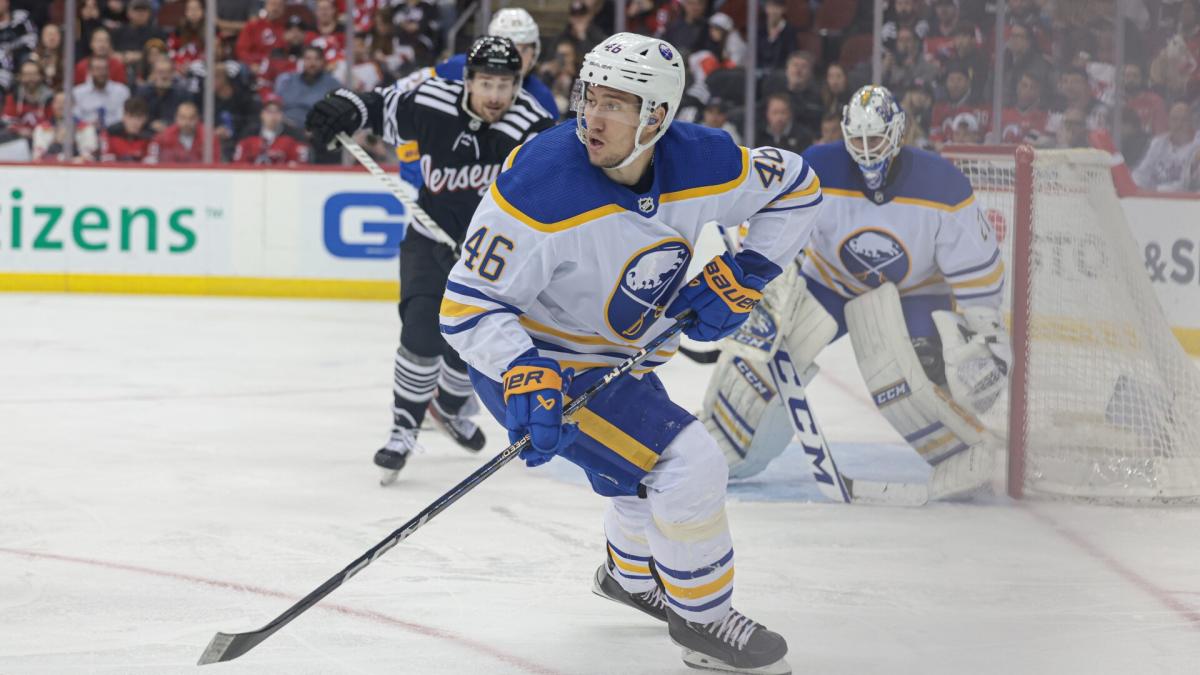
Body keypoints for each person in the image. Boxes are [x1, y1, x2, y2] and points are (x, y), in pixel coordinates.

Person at [437, 33, 816, 674]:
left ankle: (629, 578)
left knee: (638, 477)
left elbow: (797, 186)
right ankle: (703, 622)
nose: (592, 116)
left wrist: (747, 271)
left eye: (616, 104)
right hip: (528, 362)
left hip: (618, 353)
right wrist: (525, 371)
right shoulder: (540, 184)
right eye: (589, 96)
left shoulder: (706, 162)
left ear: (659, 118)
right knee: (688, 461)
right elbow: (467, 306)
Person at [698, 85, 1009, 489]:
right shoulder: (819, 167)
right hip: (830, 282)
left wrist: (985, 329)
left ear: (897, 134)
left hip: (914, 292)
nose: (866, 150)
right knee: (761, 354)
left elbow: (976, 267)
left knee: (917, 376)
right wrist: (762, 282)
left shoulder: (942, 184)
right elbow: (771, 222)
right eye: (857, 140)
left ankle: (963, 452)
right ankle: (723, 448)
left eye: (875, 138)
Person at [305, 36, 556, 482]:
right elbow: (376, 106)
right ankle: (403, 428)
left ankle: (452, 404)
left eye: (505, 85)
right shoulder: (431, 99)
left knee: (472, 343)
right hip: (428, 239)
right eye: (486, 84)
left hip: (491, 255)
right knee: (421, 331)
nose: (495, 96)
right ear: (468, 80)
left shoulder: (532, 127)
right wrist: (344, 107)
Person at [388, 8, 558, 187]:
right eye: (510, 47)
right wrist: (410, 154)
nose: (516, 58)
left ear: (535, 51)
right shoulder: (459, 68)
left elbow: (547, 162)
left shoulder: (542, 100)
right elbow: (397, 98)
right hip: (442, 183)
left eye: (524, 49)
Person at [1133, 101, 1200, 192]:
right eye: (1175, 119)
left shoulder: (1197, 147)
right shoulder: (1158, 143)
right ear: (1168, 121)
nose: (1179, 124)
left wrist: (1155, 190)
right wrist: (1134, 186)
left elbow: (1187, 184)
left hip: (1182, 201)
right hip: (1151, 198)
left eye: (1184, 120)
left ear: (1192, 122)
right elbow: (1142, 172)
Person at [275, 46, 340, 128]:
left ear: (323, 61)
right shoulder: (287, 80)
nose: (312, 63)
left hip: (315, 130)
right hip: (284, 127)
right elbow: (275, 106)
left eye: (317, 59)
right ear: (302, 61)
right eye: (308, 59)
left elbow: (334, 114)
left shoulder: (333, 84)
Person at [233, 94, 308, 165]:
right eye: (269, 111)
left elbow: (300, 163)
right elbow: (238, 162)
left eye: (277, 111)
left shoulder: (294, 134)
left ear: (281, 115)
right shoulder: (249, 133)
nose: (273, 116)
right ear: (262, 114)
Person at [146, 100, 219, 163]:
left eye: (191, 118)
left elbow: (214, 164)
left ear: (197, 119)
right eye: (183, 118)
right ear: (176, 118)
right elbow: (152, 159)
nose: (187, 122)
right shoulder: (164, 137)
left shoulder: (209, 138)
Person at [72, 54, 131, 127]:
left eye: (104, 69)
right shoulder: (78, 92)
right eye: (98, 69)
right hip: (85, 132)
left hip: (113, 133)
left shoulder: (122, 91)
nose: (102, 73)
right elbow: (75, 117)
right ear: (90, 71)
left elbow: (122, 118)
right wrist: (89, 125)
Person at [100, 96, 153, 162]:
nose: (135, 122)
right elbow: (104, 160)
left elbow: (151, 163)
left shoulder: (149, 138)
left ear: (145, 119)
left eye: (139, 118)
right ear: (124, 117)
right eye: (131, 117)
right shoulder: (110, 134)